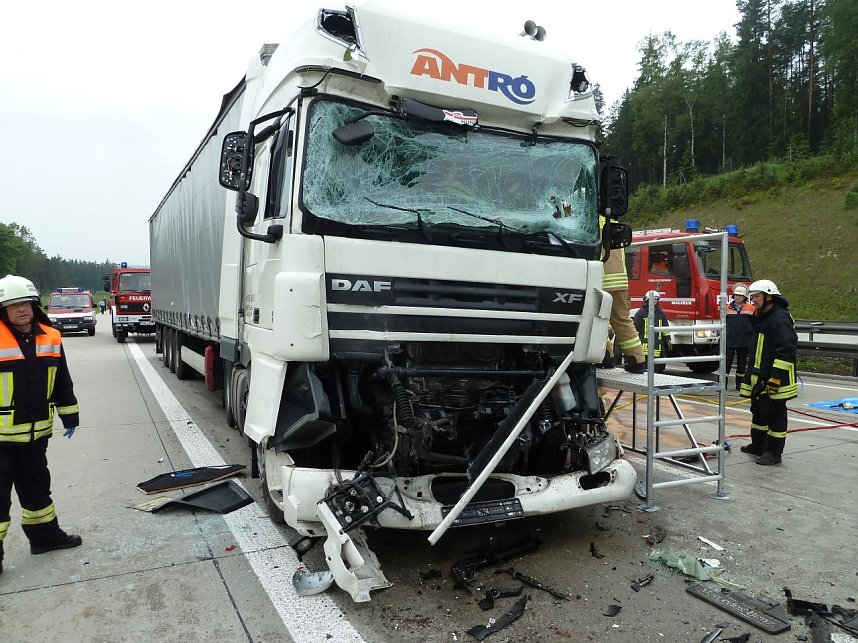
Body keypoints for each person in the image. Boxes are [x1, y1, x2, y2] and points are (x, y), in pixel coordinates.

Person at [0, 274, 82, 575]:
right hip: (1, 440)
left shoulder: (50, 337)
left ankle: (45, 538)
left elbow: (62, 381)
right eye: (13, 305)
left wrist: (69, 414)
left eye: (26, 303)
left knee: (37, 491)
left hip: (35, 436)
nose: (21, 310)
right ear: (3, 310)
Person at [738, 279, 798, 465]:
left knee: (775, 415)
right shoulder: (764, 315)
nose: (753, 300)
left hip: (774, 378)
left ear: (769, 297)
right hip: (760, 375)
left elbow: (786, 351)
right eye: (752, 296)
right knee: (759, 412)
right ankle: (758, 445)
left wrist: (775, 378)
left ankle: (773, 453)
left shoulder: (779, 318)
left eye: (756, 296)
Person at [600, 217, 646, 373]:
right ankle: (637, 360)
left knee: (594, 320)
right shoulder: (612, 222)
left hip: (599, 281)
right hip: (620, 282)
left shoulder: (586, 221)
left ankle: (605, 356)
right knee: (622, 320)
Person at [725, 284, 755, 391]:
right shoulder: (727, 308)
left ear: (744, 297)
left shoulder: (751, 308)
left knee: (742, 364)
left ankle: (739, 385)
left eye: (740, 295)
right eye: (736, 295)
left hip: (744, 341)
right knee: (726, 363)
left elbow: (755, 324)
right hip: (729, 340)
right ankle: (723, 384)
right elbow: (723, 324)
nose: (737, 297)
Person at [633, 290, 670, 369]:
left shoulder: (660, 313)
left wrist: (667, 340)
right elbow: (635, 329)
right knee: (646, 370)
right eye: (653, 299)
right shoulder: (641, 313)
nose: (655, 301)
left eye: (656, 299)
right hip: (645, 348)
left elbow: (665, 328)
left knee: (659, 370)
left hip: (658, 348)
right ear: (647, 300)